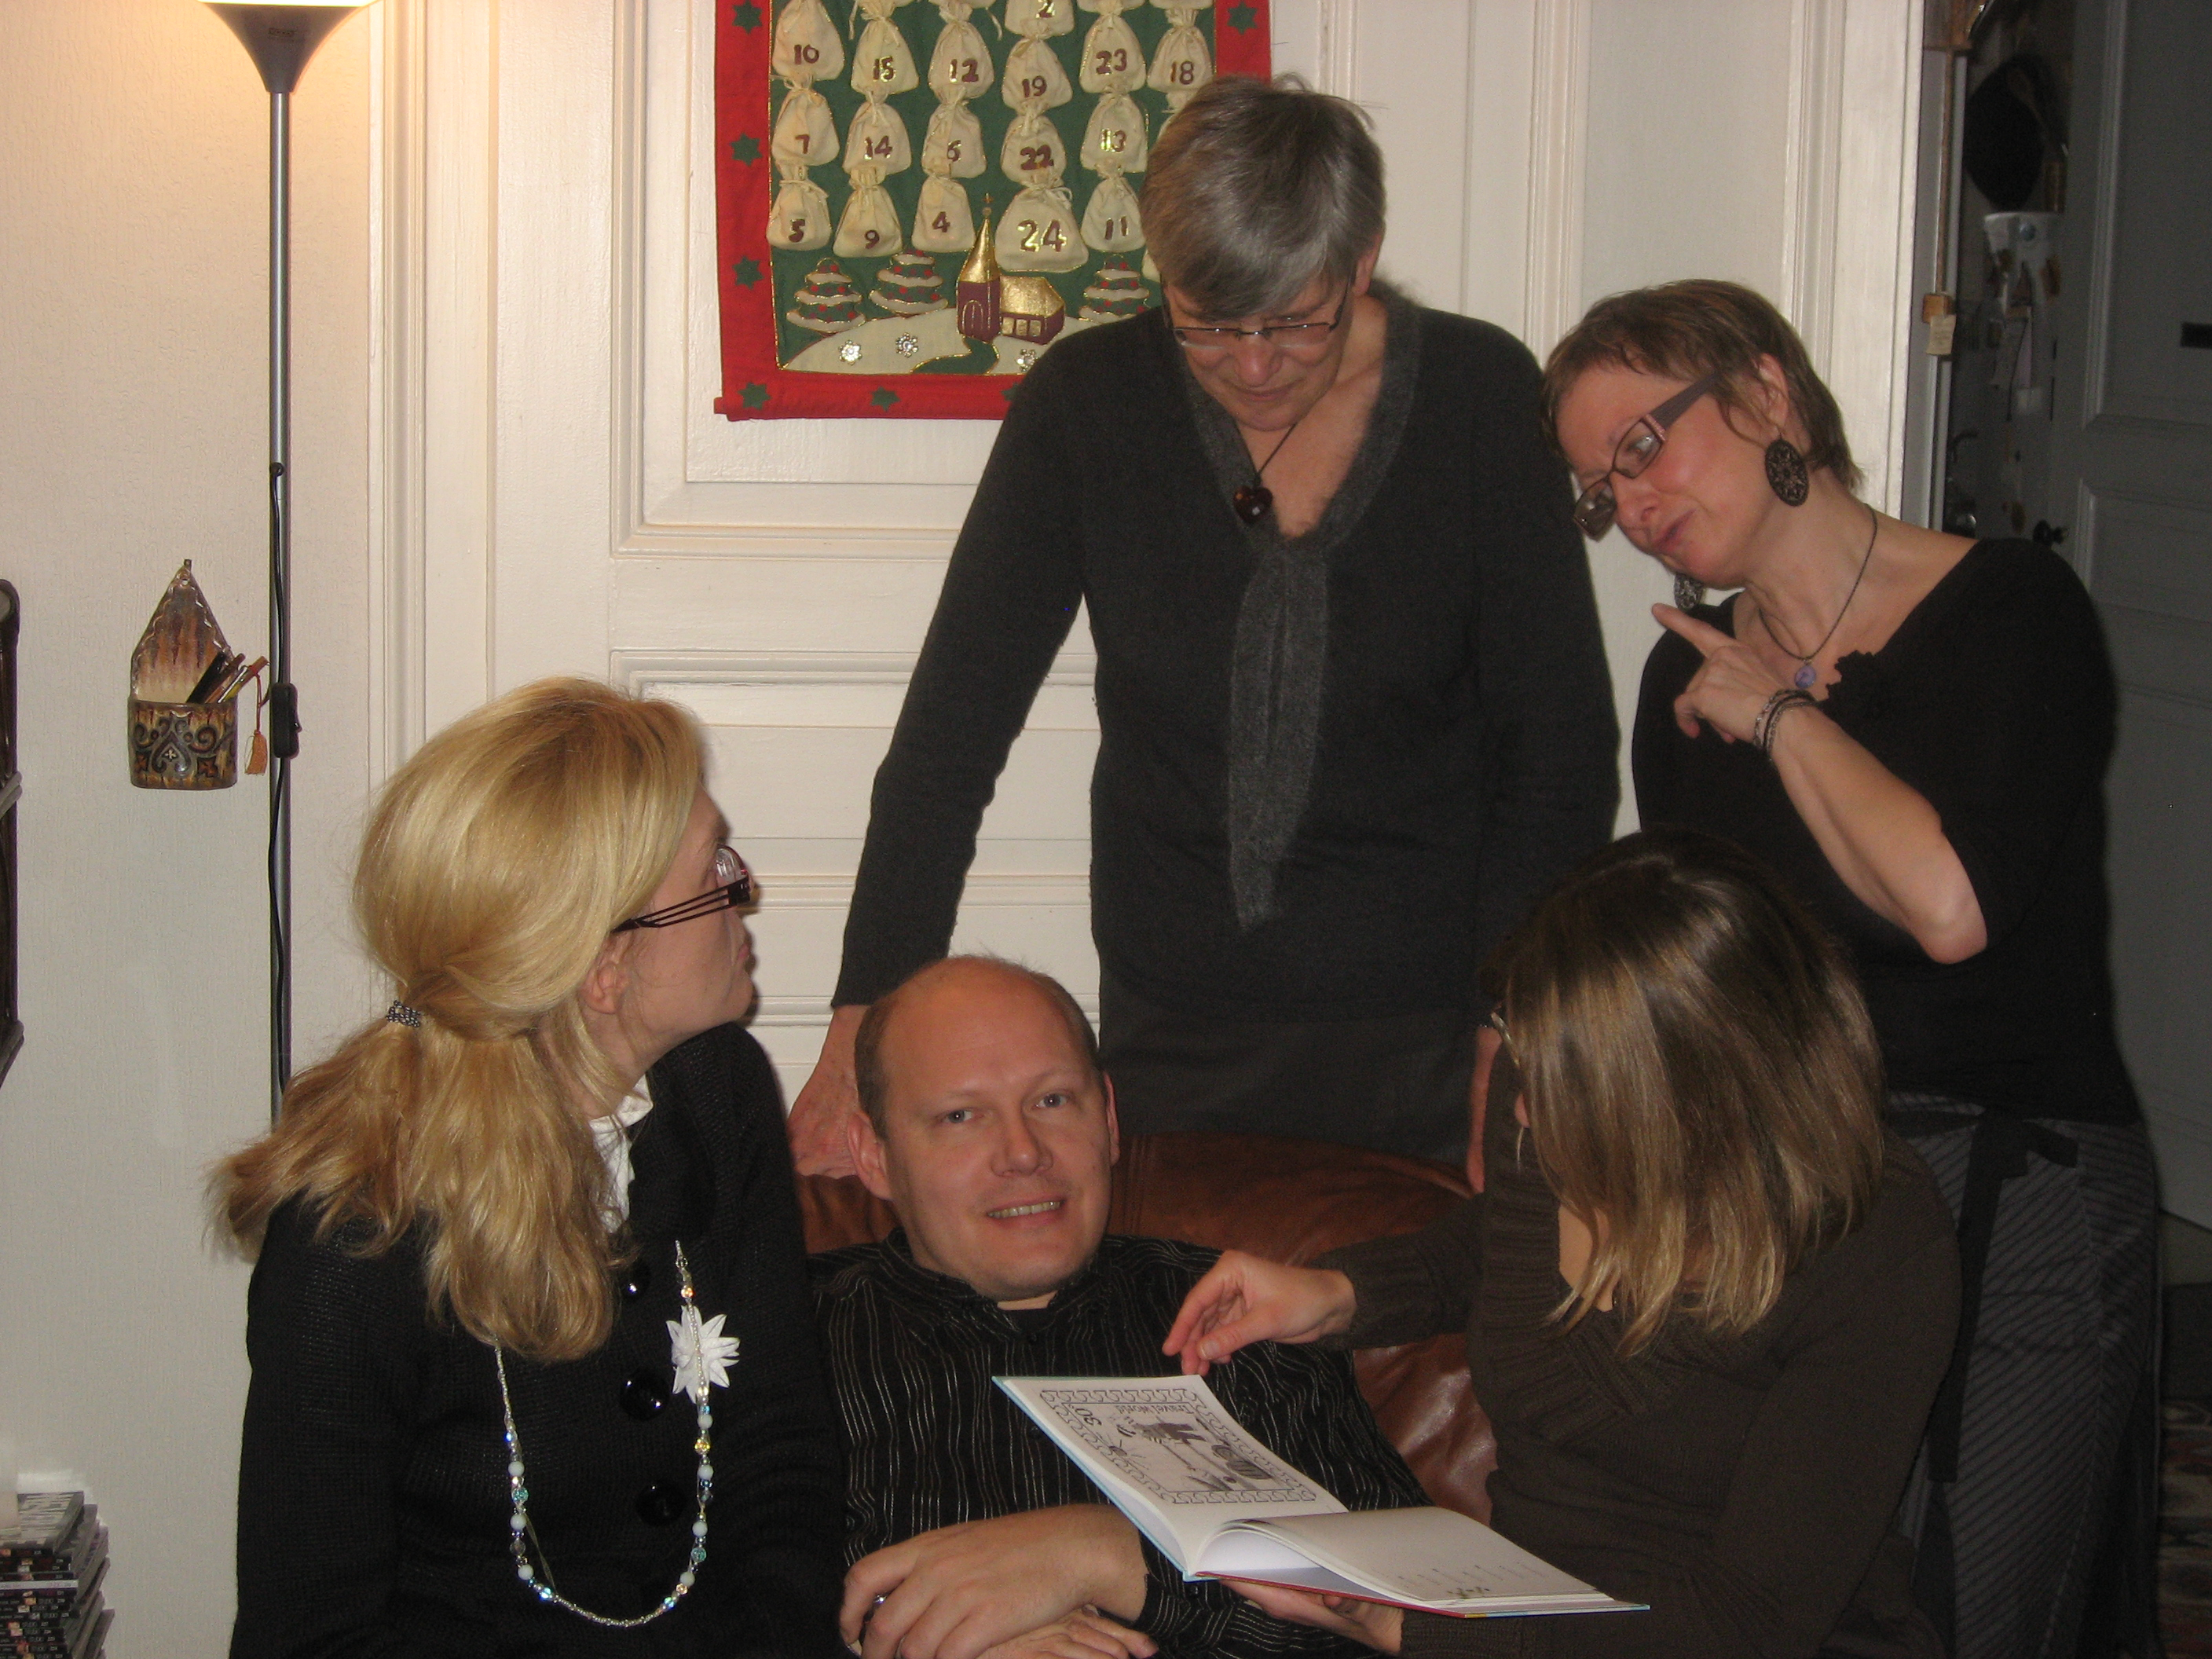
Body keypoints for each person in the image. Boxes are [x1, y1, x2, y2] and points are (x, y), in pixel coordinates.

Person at [788, 74, 1617, 1174]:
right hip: (1167, 1040)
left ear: (1360, 261)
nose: (1255, 366)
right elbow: (950, 737)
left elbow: (1558, 756)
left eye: (1295, 322)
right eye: (1210, 327)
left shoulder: (1478, 397)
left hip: (1434, 1034)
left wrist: (1514, 1030)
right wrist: (861, 1025)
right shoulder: (1089, 405)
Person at [1543, 279, 2159, 1659]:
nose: (1630, 506)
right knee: (1822, 1602)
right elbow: (1715, 985)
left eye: (1642, 445)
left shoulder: (2012, 608)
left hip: (2020, 1184)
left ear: (1767, 394)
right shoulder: (1681, 684)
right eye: (1599, 488)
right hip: (1810, 1193)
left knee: (1975, 1609)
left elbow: (1950, 903)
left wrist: (1777, 715)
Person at [1164, 830, 1961, 1657]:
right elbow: (1500, 1247)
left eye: (1564, 1093)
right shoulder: (1552, 1079)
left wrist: (1397, 1626)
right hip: (1514, 1610)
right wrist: (1337, 1296)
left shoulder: (1874, 1241)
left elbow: (1747, 1621)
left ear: (1699, 1105)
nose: (1519, 1112)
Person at [217, 679, 844, 1657]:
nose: (743, 891)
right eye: (712, 873)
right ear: (602, 970)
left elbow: (782, 1456)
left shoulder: (719, 1092)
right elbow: (309, 1634)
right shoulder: (354, 1233)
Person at [811, 955, 1432, 1659]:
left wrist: (1122, 1563)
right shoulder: (790, 1342)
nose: (1022, 1153)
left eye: (1052, 1101)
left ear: (1108, 1118)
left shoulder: (1246, 1325)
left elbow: (1418, 1621)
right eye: (960, 1116)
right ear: (873, 1155)